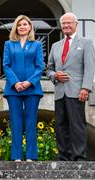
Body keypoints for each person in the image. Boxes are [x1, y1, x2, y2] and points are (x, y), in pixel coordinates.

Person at [47, 12, 95, 161]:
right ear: (61, 26)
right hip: (60, 91)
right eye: (64, 24)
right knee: (61, 126)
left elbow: (90, 67)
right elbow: (49, 68)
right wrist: (55, 76)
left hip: (77, 91)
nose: (67, 25)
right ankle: (64, 157)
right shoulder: (55, 45)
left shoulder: (86, 43)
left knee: (77, 125)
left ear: (76, 24)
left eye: (69, 23)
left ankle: (79, 157)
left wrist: (85, 88)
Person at [3, 15, 44, 161]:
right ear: (16, 27)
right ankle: (17, 156)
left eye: (25, 24)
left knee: (31, 122)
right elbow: (6, 65)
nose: (22, 27)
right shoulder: (9, 44)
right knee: (16, 122)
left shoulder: (36, 45)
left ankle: (31, 156)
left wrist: (29, 82)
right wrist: (15, 82)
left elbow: (40, 67)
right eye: (19, 24)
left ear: (30, 27)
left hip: (32, 89)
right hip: (13, 89)